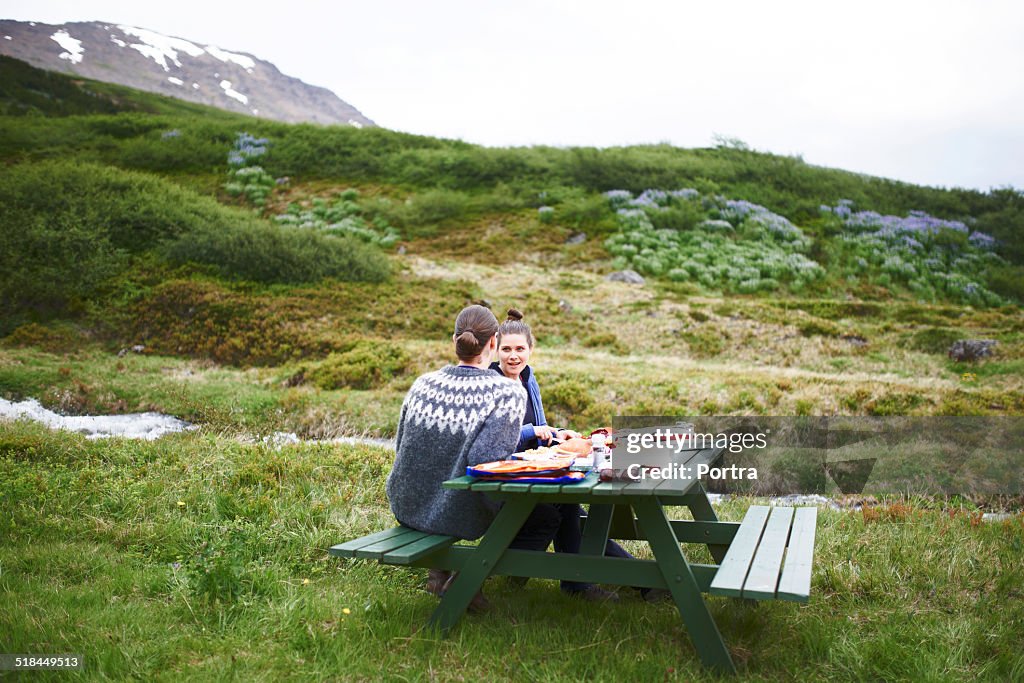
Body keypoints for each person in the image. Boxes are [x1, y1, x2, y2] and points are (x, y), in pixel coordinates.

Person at [385, 304, 562, 610]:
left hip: (405, 502)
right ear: (494, 343)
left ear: (454, 339)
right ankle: (470, 577)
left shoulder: (421, 384)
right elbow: (487, 467)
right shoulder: (506, 393)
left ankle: (441, 571)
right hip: (454, 511)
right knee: (546, 515)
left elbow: (401, 446)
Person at [490, 308, 632, 602]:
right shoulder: (491, 385)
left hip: (538, 472)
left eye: (520, 349)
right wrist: (533, 433)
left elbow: (539, 430)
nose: (513, 356)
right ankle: (629, 581)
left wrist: (558, 433)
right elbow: (494, 444)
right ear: (495, 349)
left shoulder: (528, 379)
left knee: (573, 509)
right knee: (569, 510)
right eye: (506, 349)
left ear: (531, 349)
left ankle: (594, 583)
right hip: (505, 479)